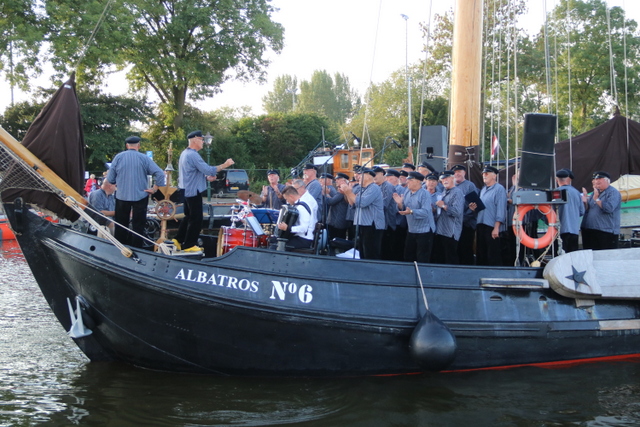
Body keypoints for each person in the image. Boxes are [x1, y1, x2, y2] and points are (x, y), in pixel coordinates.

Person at [175, 130, 234, 252]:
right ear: (195, 139)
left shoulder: (184, 153)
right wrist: (225, 164)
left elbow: (191, 173)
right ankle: (189, 245)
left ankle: (178, 239)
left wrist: (206, 178)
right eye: (201, 139)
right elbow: (208, 169)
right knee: (196, 218)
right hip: (193, 190)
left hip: (186, 189)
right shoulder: (193, 155)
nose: (203, 142)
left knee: (188, 216)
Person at [107, 136, 166, 248]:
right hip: (140, 195)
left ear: (126, 146)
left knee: (121, 224)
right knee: (138, 225)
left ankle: (120, 248)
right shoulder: (144, 158)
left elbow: (110, 179)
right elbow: (160, 173)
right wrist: (154, 188)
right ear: (138, 146)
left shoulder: (118, 157)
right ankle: (137, 249)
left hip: (122, 196)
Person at [340, 169, 385, 260]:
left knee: (370, 253)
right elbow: (352, 203)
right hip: (363, 224)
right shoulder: (363, 189)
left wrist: (349, 192)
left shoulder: (374, 188)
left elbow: (362, 203)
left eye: (361, 175)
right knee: (363, 253)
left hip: (372, 225)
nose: (358, 177)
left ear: (368, 176)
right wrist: (347, 193)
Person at [392, 171, 435, 263]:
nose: (407, 182)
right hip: (411, 230)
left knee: (422, 258)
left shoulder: (424, 194)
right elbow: (404, 208)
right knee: (408, 256)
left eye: (410, 180)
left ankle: (422, 276)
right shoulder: (407, 191)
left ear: (418, 182)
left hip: (424, 231)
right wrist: (399, 204)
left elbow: (426, 212)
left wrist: (411, 211)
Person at [471, 165, 507, 266]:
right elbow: (483, 208)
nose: (484, 175)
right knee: (481, 252)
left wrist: (496, 228)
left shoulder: (499, 189)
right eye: (483, 174)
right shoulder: (483, 190)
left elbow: (501, 209)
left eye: (487, 173)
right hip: (481, 223)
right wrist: (474, 208)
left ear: (494, 176)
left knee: (492, 253)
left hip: (491, 225)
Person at [581, 171, 621, 250]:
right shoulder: (594, 193)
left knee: (605, 256)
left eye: (599, 179)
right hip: (590, 230)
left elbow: (609, 208)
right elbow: (589, 209)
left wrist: (597, 199)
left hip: (605, 231)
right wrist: (585, 201)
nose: (596, 181)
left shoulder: (613, 193)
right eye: (595, 179)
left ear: (607, 181)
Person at [433, 170, 464, 264]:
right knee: (441, 259)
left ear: (452, 178)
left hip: (450, 232)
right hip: (440, 230)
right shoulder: (443, 192)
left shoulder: (457, 192)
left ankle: (454, 277)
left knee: (450, 259)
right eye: (442, 179)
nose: (444, 180)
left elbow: (457, 212)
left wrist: (443, 206)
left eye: (446, 178)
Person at [274, 185, 317, 251]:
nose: (287, 201)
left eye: (286, 199)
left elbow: (304, 228)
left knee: (276, 246)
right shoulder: (298, 206)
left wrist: (288, 228)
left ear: (291, 196)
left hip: (304, 239)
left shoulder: (302, 208)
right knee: (273, 241)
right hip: (298, 237)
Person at [452, 164, 479, 265]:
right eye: (455, 172)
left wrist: (464, 218)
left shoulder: (469, 185)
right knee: (456, 248)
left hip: (466, 223)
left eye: (459, 172)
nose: (457, 174)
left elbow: (474, 204)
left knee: (466, 248)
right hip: (454, 223)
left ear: (464, 173)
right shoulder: (452, 186)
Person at [555, 168, 584, 253]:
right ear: (568, 179)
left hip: (559, 230)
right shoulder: (576, 193)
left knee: (560, 256)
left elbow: (549, 212)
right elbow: (581, 211)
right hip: (574, 230)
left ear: (557, 180)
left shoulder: (555, 193)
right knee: (572, 255)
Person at [373, 166, 398, 260]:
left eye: (376, 174)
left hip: (387, 223)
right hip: (378, 223)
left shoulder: (388, 186)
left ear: (382, 174)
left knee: (386, 250)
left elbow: (383, 205)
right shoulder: (376, 186)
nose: (374, 176)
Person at [325, 172, 350, 240]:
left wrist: (326, 194)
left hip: (338, 221)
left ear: (343, 180)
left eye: (338, 179)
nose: (336, 181)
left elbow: (331, 202)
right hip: (338, 220)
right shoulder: (342, 190)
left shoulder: (342, 190)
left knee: (337, 240)